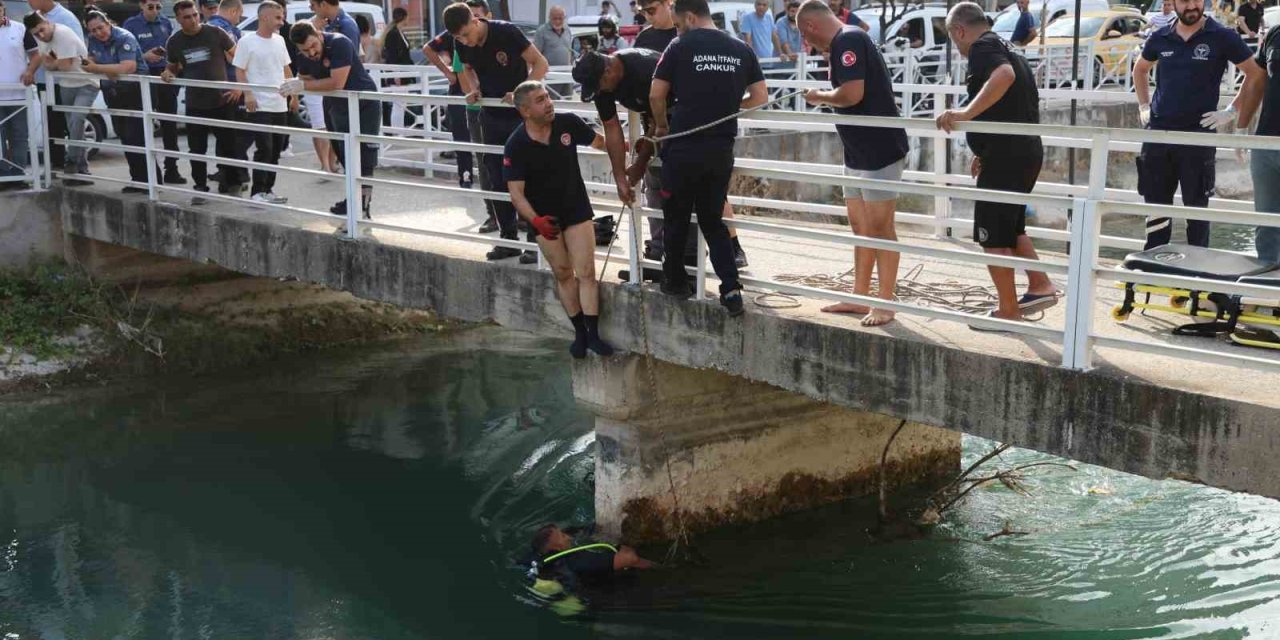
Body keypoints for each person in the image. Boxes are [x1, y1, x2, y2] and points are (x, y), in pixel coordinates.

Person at [936, 2, 1058, 327]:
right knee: (1012, 228)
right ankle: (1040, 284)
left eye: (954, 40)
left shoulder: (983, 47)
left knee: (992, 237)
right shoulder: (1006, 44)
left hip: (1009, 158)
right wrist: (985, 147)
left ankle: (1007, 310)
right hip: (1021, 153)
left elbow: (1004, 77)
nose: (958, 48)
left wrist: (963, 115)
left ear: (959, 31)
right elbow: (1011, 102)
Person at [650, 0, 767, 315]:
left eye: (677, 23)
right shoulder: (742, 49)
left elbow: (656, 94)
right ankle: (730, 290)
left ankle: (674, 283)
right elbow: (760, 98)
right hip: (719, 149)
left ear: (689, 17)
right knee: (713, 221)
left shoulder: (679, 46)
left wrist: (661, 126)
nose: (676, 28)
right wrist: (728, 108)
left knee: (675, 217)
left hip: (683, 147)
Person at [799, 0, 909, 327]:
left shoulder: (847, 40)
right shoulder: (847, 40)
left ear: (810, 27)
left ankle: (885, 303)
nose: (808, 45)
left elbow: (852, 94)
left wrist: (819, 96)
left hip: (879, 150)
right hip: (857, 151)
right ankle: (860, 297)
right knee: (861, 227)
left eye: (805, 37)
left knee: (880, 228)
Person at [1133, 0, 1263, 249]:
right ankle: (1154, 264)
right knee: (1156, 206)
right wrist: (1143, 106)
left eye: (1196, 0)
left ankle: (1196, 274)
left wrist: (1231, 111)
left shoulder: (1222, 36)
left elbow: (1255, 74)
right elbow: (1140, 70)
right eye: (1184, 1)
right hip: (1159, 135)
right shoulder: (1160, 36)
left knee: (1197, 210)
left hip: (1198, 136)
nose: (1191, 5)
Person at [505, 81, 614, 357]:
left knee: (586, 272)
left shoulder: (568, 123)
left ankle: (593, 335)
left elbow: (601, 142)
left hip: (576, 209)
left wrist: (630, 152)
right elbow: (516, 194)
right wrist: (536, 221)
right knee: (563, 274)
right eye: (541, 100)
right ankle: (578, 333)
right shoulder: (516, 145)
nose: (549, 103)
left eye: (548, 97)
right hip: (543, 217)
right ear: (525, 111)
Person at [446, 1, 550, 262]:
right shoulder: (461, 43)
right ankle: (508, 239)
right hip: (491, 116)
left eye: (467, 35)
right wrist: (472, 90)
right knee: (496, 178)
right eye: (459, 38)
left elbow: (540, 64)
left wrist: (520, 92)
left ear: (475, 20)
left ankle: (534, 244)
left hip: (520, 116)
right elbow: (466, 68)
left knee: (528, 180)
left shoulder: (506, 32)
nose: (465, 42)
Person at [286, 21, 381, 223]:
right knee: (344, 155)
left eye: (313, 46)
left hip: (362, 103)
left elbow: (337, 82)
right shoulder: (302, 56)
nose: (311, 53)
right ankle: (352, 200)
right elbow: (305, 77)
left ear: (319, 35)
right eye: (305, 50)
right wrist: (298, 86)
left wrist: (302, 85)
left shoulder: (339, 43)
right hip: (334, 104)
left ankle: (363, 207)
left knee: (364, 157)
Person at [162, 0, 239, 203]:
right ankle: (200, 187)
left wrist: (239, 86)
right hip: (196, 103)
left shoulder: (215, 32)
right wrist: (168, 73)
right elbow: (172, 66)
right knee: (197, 149)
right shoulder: (174, 41)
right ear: (178, 19)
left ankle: (233, 182)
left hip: (222, 100)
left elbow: (238, 58)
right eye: (187, 17)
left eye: (195, 14)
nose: (194, 19)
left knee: (229, 145)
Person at [83, 10, 154, 194]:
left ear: (108, 23)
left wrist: (97, 68)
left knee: (137, 137)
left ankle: (151, 181)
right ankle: (137, 180)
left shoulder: (124, 37)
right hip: (112, 92)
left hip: (133, 91)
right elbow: (90, 60)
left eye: (100, 27)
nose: (99, 33)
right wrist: (92, 64)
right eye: (93, 30)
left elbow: (128, 67)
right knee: (125, 137)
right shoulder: (94, 40)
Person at [23, 11, 98, 186]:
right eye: (36, 34)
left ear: (48, 23)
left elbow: (63, 66)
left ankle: (71, 162)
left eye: (42, 30)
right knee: (72, 126)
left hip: (86, 83)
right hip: (66, 85)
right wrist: (56, 64)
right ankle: (81, 170)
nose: (41, 35)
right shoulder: (42, 40)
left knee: (77, 120)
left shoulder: (63, 34)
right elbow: (48, 64)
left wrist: (55, 63)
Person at [233, 0, 293, 204]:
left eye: (282, 16)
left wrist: (295, 94)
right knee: (264, 148)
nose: (282, 21)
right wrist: (248, 94)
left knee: (276, 149)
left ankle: (268, 190)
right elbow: (239, 70)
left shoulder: (280, 40)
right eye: (278, 17)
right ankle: (257, 192)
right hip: (259, 105)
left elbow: (286, 69)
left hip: (280, 103)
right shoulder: (246, 41)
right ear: (264, 17)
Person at [124, 0, 185, 184]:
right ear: (141, 6)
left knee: (170, 124)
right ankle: (147, 172)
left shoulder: (165, 22)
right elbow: (127, 53)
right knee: (144, 125)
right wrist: (145, 56)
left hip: (164, 75)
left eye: (158, 7)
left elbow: (172, 51)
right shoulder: (131, 25)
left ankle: (172, 169)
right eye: (151, 7)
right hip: (143, 76)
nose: (155, 11)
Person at [20, 0, 81, 175]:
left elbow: (74, 53)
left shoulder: (65, 18)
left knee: (70, 124)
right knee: (51, 125)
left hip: (63, 81)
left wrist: (52, 62)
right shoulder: (34, 19)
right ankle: (55, 165)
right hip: (43, 81)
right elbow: (39, 52)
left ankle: (76, 166)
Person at [423, 25, 477, 191]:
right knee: (462, 136)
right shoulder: (452, 33)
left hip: (482, 92)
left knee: (486, 138)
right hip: (459, 93)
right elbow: (428, 49)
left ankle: (491, 180)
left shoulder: (489, 34)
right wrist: (448, 73)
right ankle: (466, 175)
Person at [528, 524, 652, 594]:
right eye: (563, 536)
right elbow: (630, 559)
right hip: (598, 595)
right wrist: (625, 544)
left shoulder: (538, 557)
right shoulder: (577, 561)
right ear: (558, 547)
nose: (568, 537)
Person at [206, 0, 247, 193]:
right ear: (232, 11)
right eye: (239, 15)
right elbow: (235, 57)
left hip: (220, 85)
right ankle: (234, 175)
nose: (239, 19)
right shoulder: (223, 29)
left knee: (227, 133)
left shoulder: (211, 27)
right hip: (230, 85)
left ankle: (231, 172)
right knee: (234, 135)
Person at [1254, 22, 1280, 263]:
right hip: (1266, 141)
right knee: (1265, 223)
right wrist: (1240, 124)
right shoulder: (1275, 33)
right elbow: (1257, 80)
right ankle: (1265, 289)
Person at [0, 3, 30, 190]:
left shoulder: (20, 29)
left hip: (18, 94)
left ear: (3, 9)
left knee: (20, 136)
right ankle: (2, 176)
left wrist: (31, 72)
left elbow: (36, 55)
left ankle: (18, 175)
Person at [534, 6, 573, 98]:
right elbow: (536, 55)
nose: (558, 21)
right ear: (549, 18)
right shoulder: (541, 31)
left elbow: (569, 51)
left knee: (568, 102)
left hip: (566, 74)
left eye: (560, 18)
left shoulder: (568, 30)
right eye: (555, 18)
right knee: (552, 102)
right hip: (549, 76)